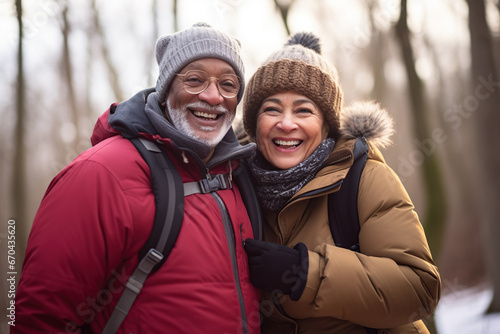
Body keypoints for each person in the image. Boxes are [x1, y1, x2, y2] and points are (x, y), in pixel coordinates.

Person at [14, 23, 261, 334]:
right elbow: (40, 317)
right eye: (195, 80)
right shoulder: (100, 173)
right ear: (166, 88)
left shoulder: (237, 176)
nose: (213, 96)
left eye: (228, 84)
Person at [241, 32, 441, 333]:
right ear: (254, 124)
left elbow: (420, 288)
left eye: (303, 110)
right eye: (271, 109)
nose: (286, 123)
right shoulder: (235, 187)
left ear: (326, 124)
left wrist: (305, 273)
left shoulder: (364, 178)